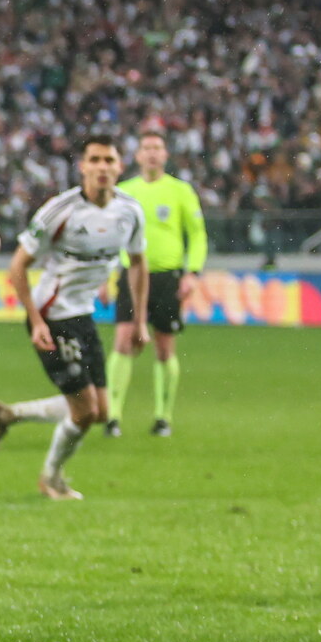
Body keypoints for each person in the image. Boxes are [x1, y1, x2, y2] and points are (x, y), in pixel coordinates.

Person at [0, 136, 149, 499]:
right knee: (85, 410)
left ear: (120, 167)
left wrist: (139, 321)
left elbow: (137, 263)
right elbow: (18, 266)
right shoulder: (60, 211)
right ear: (83, 167)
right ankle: (51, 478)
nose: (102, 167)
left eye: (109, 160)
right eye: (95, 159)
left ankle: (8, 415)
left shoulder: (130, 212)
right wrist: (36, 320)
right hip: (52, 315)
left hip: (83, 314)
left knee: (101, 410)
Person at [108, 131, 207, 437]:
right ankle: (113, 417)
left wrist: (192, 272)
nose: (152, 153)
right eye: (146, 148)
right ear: (137, 156)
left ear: (165, 155)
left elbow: (198, 234)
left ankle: (162, 417)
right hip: (131, 274)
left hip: (167, 275)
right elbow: (110, 237)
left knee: (164, 346)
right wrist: (107, 275)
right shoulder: (123, 191)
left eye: (157, 148)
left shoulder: (180, 191)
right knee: (123, 339)